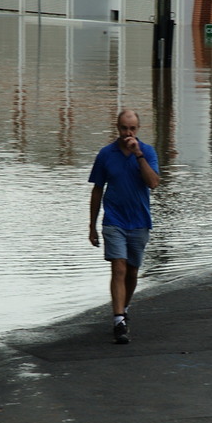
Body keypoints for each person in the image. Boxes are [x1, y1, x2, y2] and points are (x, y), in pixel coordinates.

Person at [88, 109, 160, 345]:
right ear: (117, 128)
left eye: (132, 129)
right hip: (113, 220)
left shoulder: (147, 152)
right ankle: (118, 320)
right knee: (118, 267)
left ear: (138, 129)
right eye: (123, 128)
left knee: (131, 271)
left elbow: (154, 183)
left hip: (139, 221)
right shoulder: (106, 154)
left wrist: (138, 155)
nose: (127, 133)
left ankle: (124, 307)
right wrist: (92, 225)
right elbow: (97, 189)